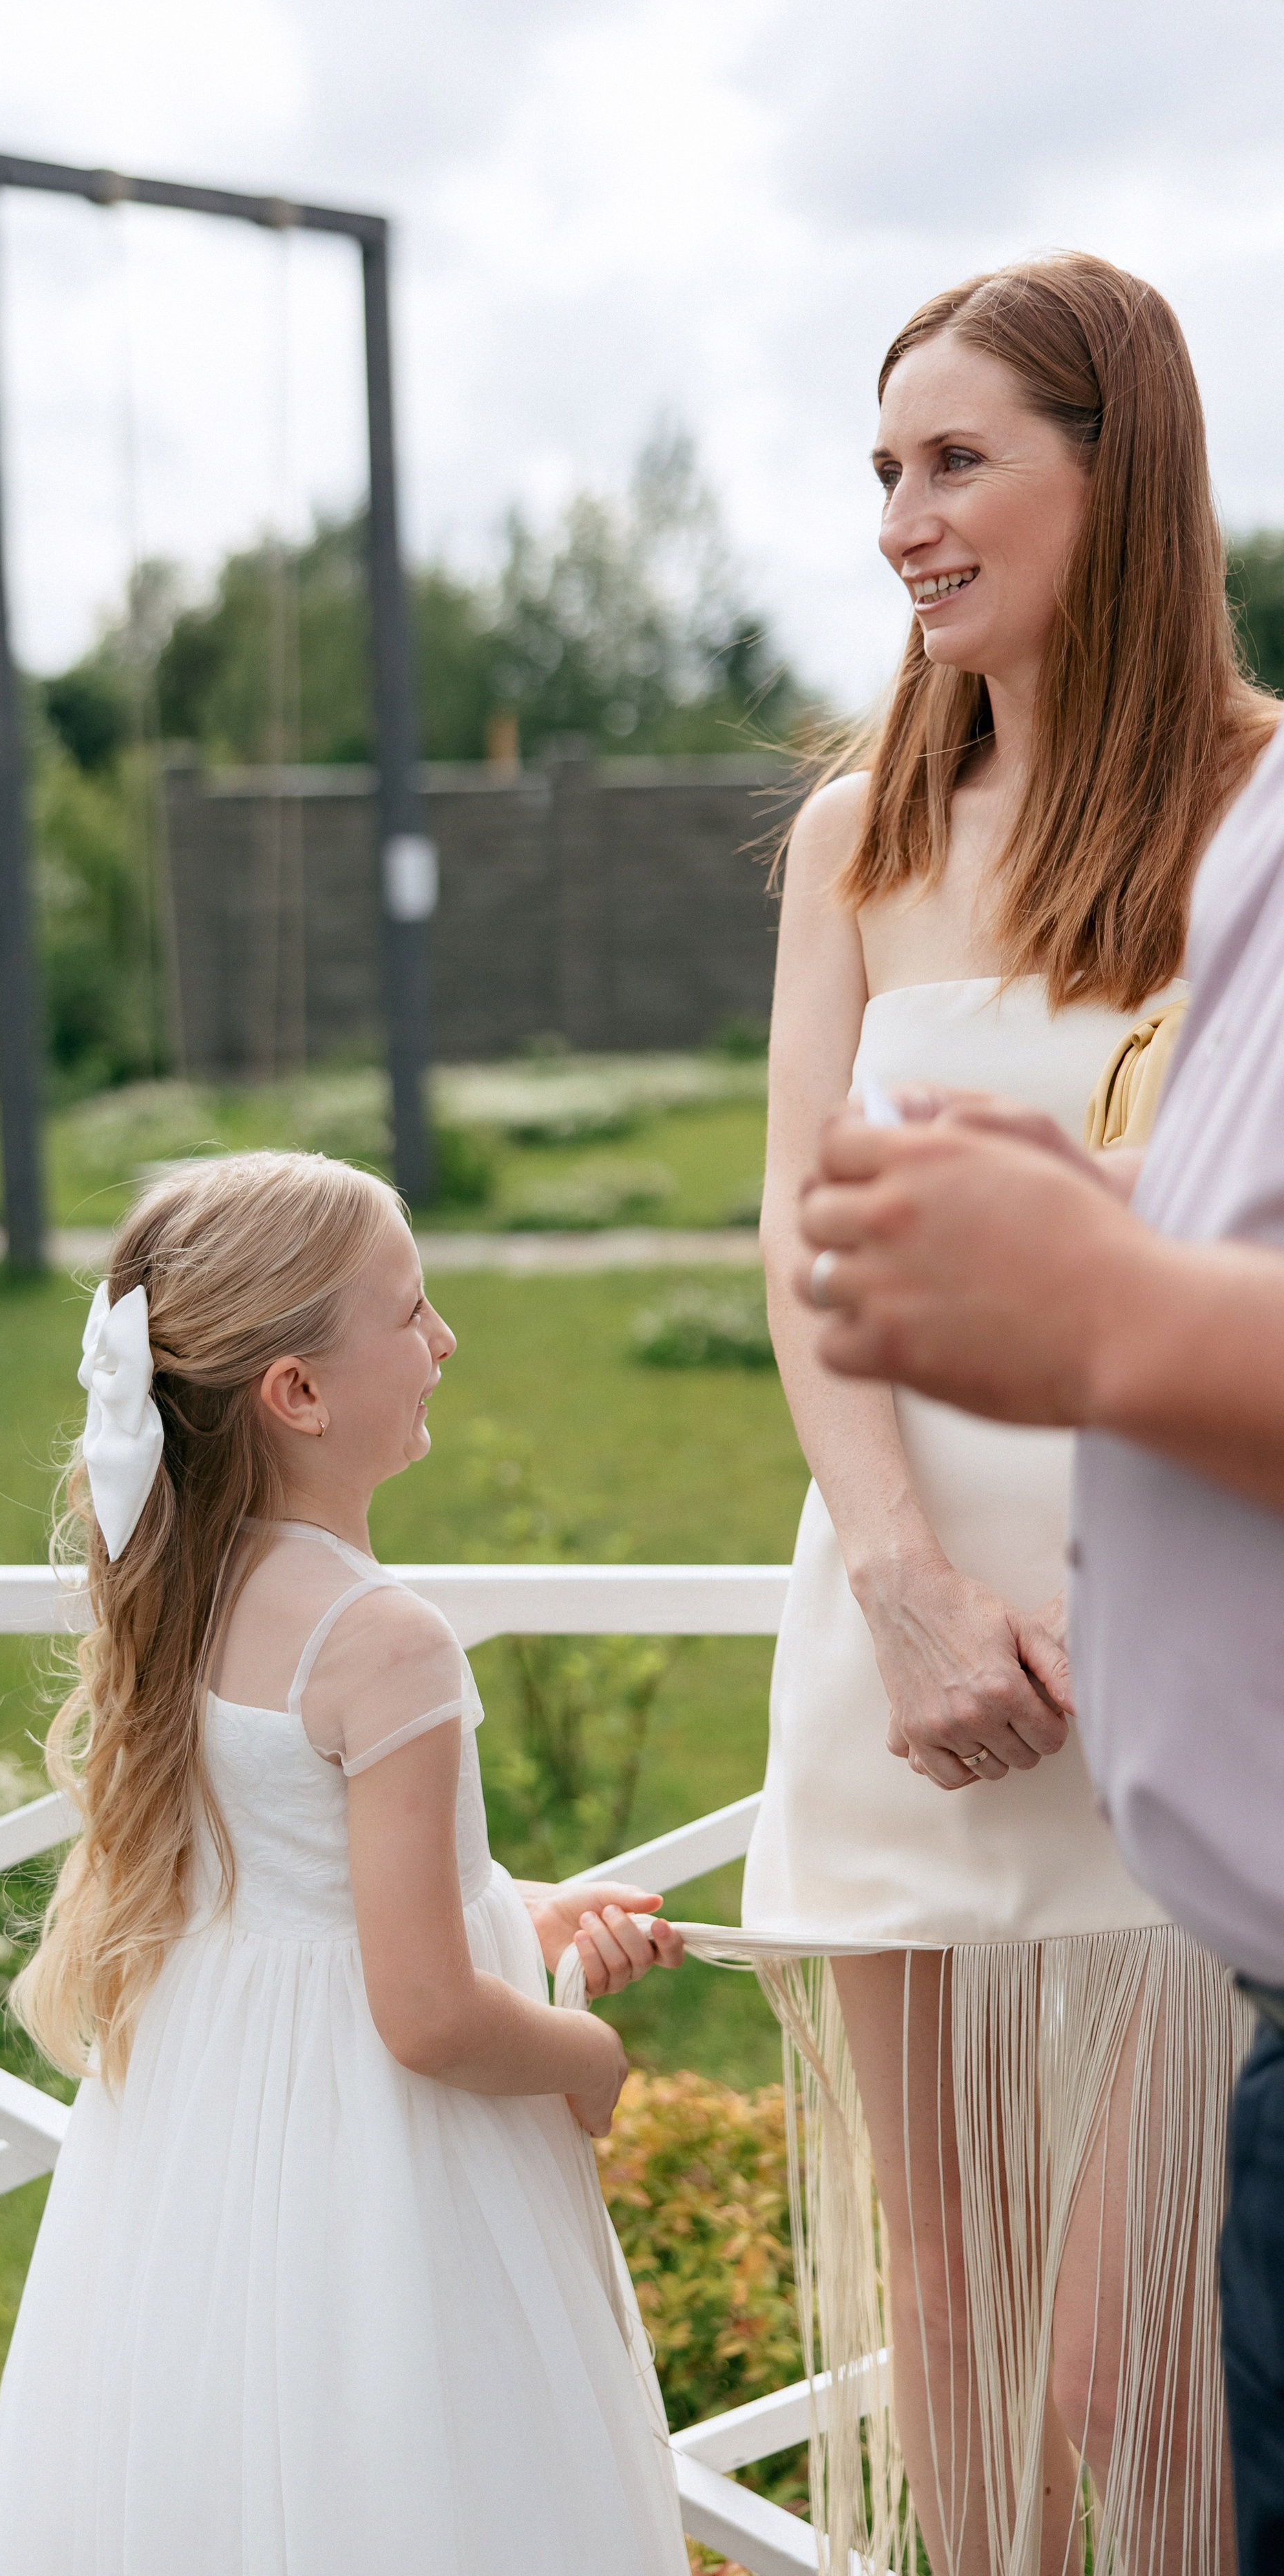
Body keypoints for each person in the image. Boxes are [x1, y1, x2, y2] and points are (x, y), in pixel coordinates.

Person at [738, 253, 1276, 2576]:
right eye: (884, 470)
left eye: (957, 460)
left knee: (1131, 2362)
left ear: (1116, 465)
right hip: (902, 1642)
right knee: (937, 2328)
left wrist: (1047, 1615)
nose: (901, 520)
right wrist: (903, 1587)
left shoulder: (1261, 823)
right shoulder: (859, 837)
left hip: (1159, 1681)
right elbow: (800, 1238)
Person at [0, 1149, 688, 2576]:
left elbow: (295, 1881)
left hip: (215, 2127)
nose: (444, 1342)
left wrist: (522, 1913)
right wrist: (583, 2055)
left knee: (236, 2458)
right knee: (413, 2468)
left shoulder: (191, 1579)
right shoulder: (383, 1640)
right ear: (295, 1394)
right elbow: (422, 2017)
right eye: (410, 1313)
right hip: (381, 2161)